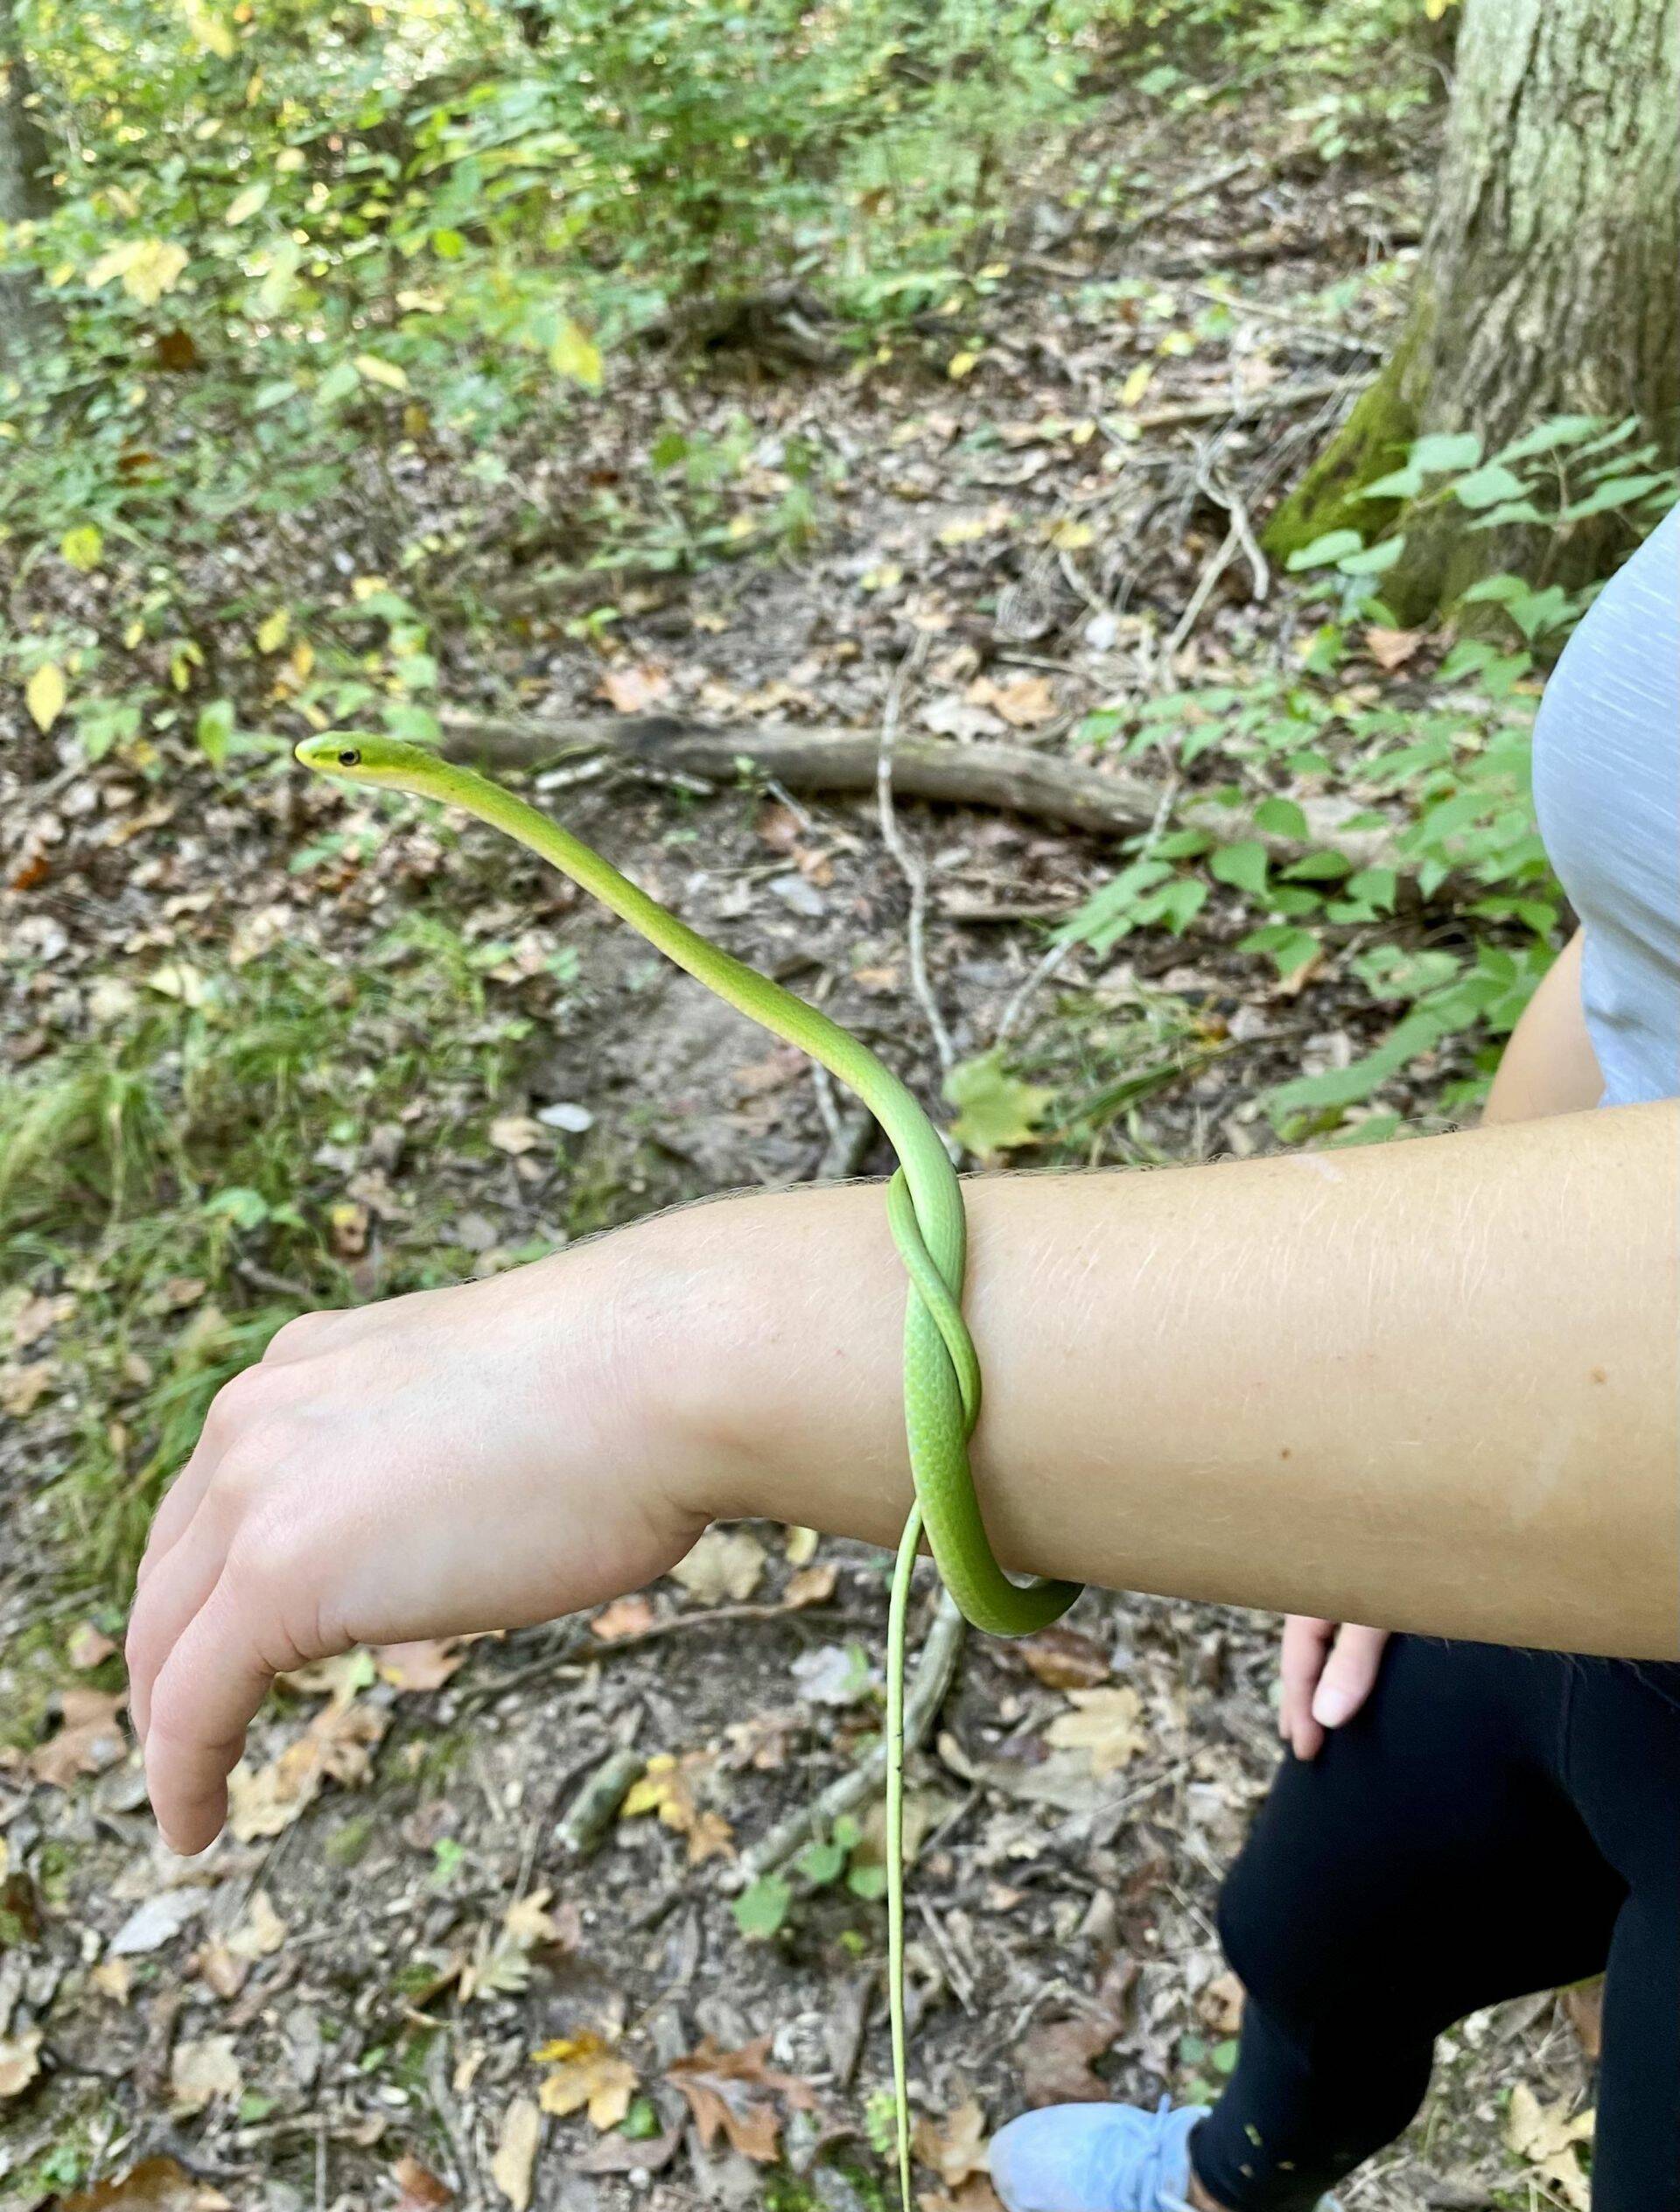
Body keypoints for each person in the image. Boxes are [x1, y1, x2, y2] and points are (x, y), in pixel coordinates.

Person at [125, 511, 1679, 2210]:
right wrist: (1426, 1429)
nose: (339, 762)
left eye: (357, 756)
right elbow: (1628, 951)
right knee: (1309, 1929)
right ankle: (1238, 2173)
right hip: (1550, 1522)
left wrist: (689, 1350)